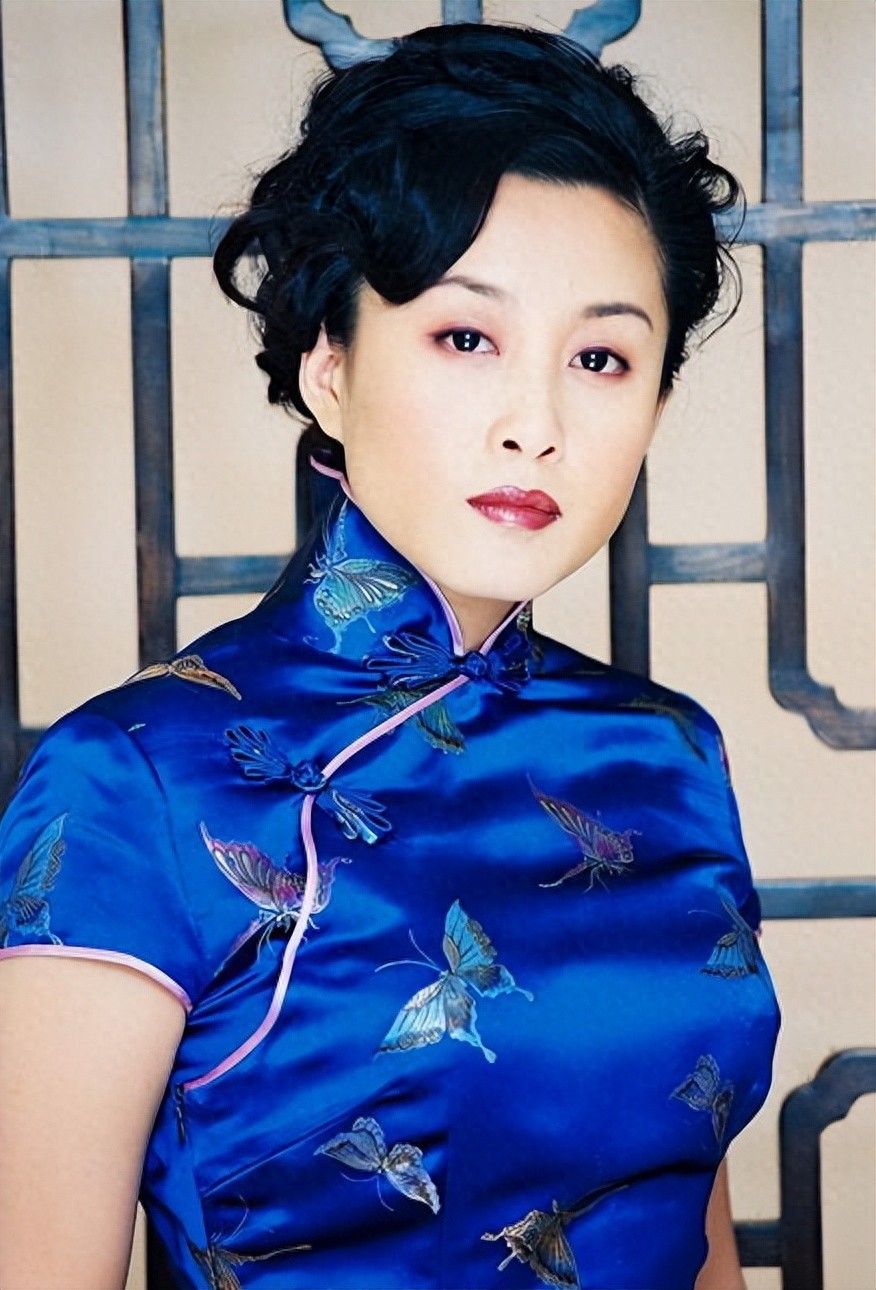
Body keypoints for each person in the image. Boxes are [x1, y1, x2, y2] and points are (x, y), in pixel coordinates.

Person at [0, 22, 779, 1290]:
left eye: (600, 357)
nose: (535, 425)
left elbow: (689, 1225)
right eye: (466, 338)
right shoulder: (135, 782)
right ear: (330, 363)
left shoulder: (670, 755)